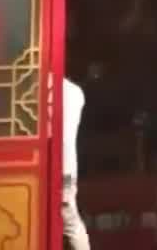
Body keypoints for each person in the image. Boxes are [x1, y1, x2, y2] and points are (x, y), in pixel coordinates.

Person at [62, 77, 90, 250]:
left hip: (56, 165)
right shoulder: (75, 91)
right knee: (71, 222)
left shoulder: (37, 88)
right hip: (67, 167)